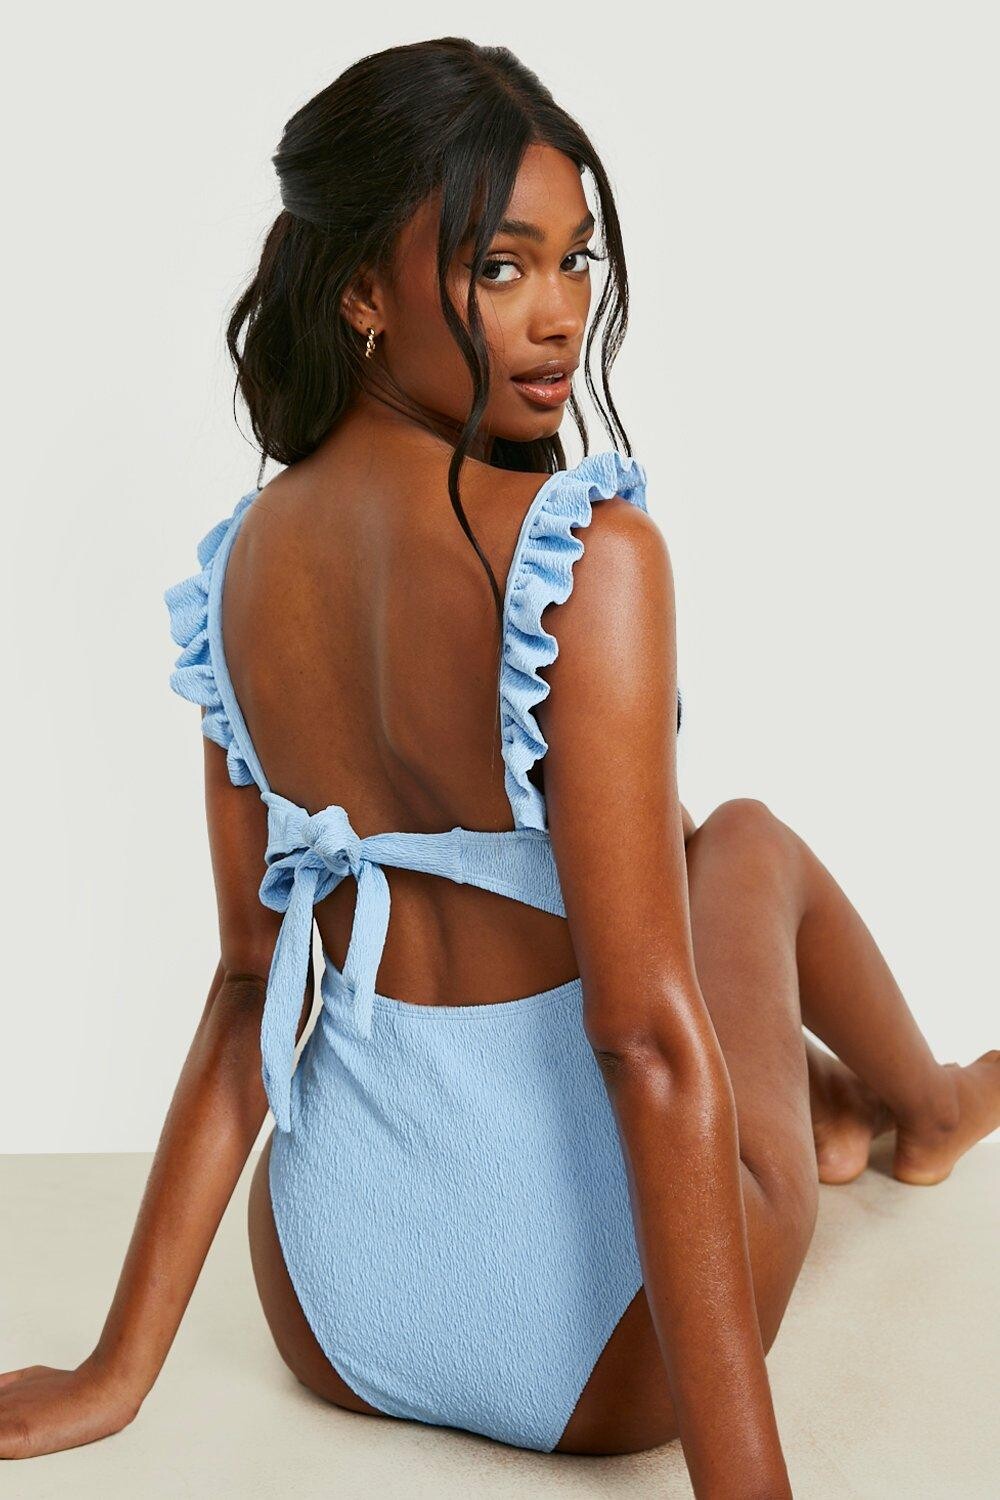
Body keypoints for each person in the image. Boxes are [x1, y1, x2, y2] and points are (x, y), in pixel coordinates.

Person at [2, 37, 997, 1497]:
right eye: (500, 268)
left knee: (663, 852)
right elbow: (646, 1042)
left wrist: (115, 1372)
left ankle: (845, 1098)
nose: (560, 317)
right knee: (743, 843)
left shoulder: (239, 570)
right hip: (603, 1356)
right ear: (361, 289)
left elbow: (248, 986)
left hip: (332, 1313)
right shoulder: (589, 558)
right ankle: (931, 1110)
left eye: (575, 261)